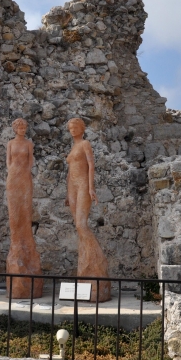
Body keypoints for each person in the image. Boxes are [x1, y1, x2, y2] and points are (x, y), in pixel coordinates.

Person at [66, 118, 111, 302]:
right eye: (70, 127)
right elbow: (70, 171)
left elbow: (91, 165)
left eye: (75, 127)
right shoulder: (72, 147)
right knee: (78, 227)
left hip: (84, 184)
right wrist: (67, 193)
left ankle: (96, 260)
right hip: (72, 187)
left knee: (81, 224)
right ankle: (86, 262)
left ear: (82, 129)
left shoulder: (85, 143)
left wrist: (92, 187)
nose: (72, 129)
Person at [6, 118, 43, 298]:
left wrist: (24, 175)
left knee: (25, 212)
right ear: (14, 128)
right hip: (13, 178)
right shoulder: (10, 144)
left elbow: (30, 162)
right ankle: (16, 246)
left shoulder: (29, 143)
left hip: (25, 179)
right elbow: (8, 162)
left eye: (24, 126)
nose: (22, 129)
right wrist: (14, 174)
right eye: (19, 126)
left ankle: (26, 246)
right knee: (14, 215)